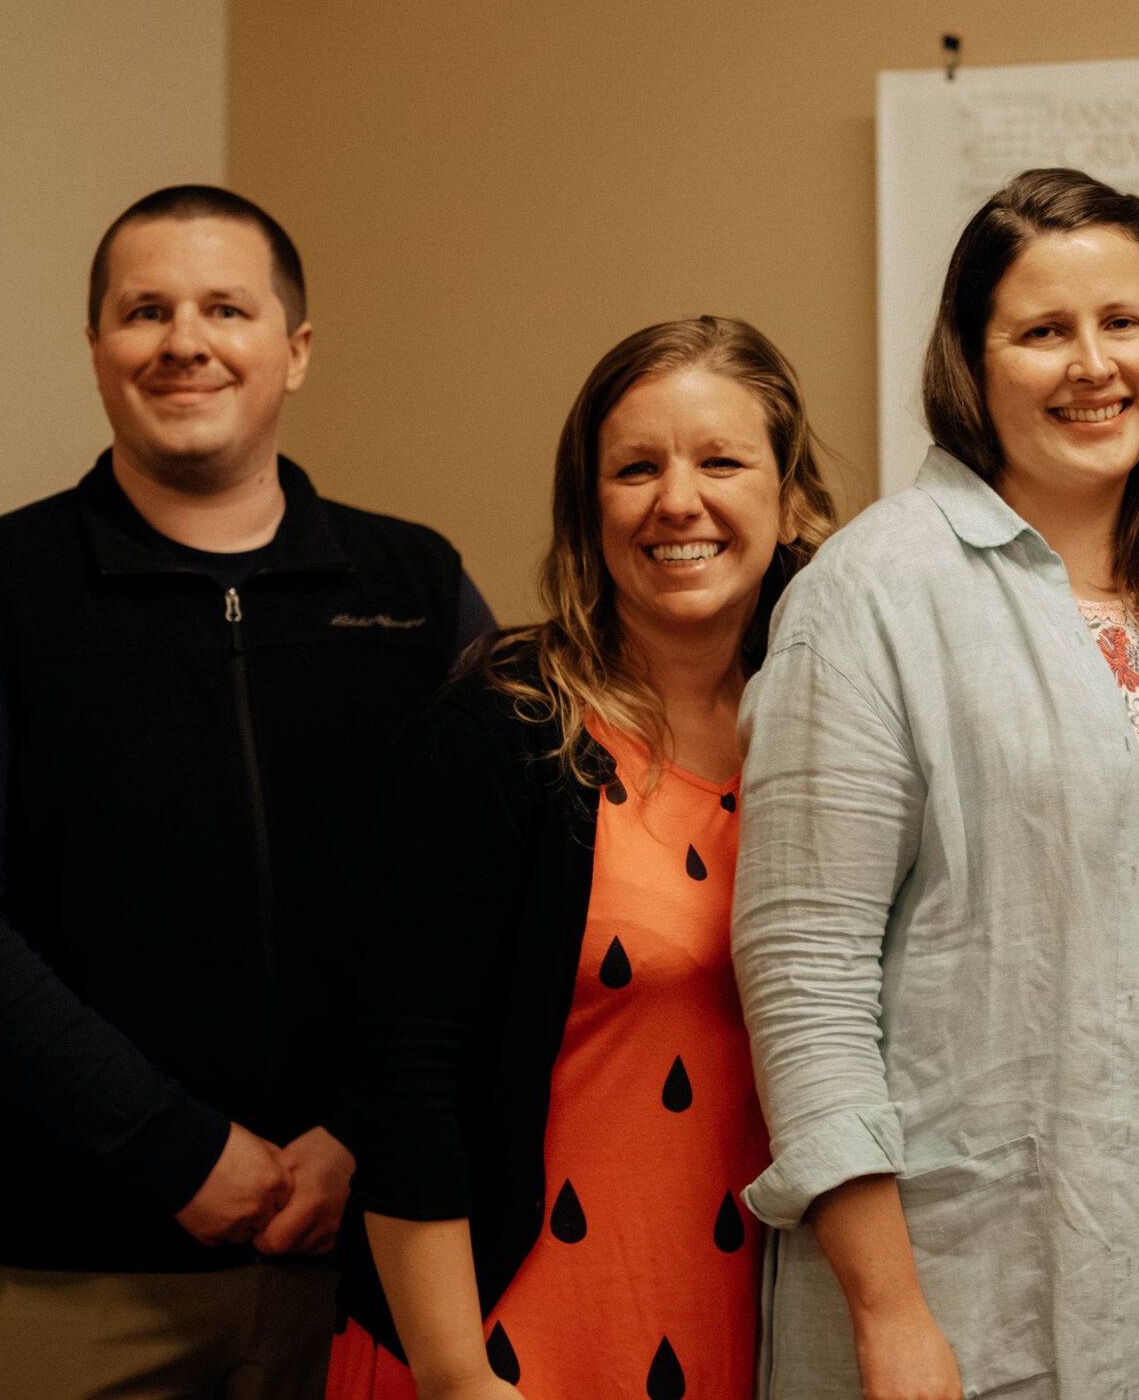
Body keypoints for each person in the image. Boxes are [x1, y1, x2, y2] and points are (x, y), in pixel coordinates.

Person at [731, 167, 1139, 1400]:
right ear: (974, 362)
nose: (1093, 364)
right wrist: (889, 1309)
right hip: (985, 1246)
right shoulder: (872, 595)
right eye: (1042, 331)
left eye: (1123, 322)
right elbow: (804, 968)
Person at [0, 186, 490, 1400]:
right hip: (74, 1272)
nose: (184, 340)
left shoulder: (416, 583)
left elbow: (492, 897)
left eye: (225, 307)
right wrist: (175, 1149)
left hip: (375, 1260)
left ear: (294, 350)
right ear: (98, 350)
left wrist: (360, 1130)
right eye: (144, 310)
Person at [327, 315, 838, 1400]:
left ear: (791, 498)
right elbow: (402, 1074)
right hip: (507, 1335)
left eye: (722, 461)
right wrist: (456, 1374)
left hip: (754, 1331)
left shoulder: (836, 739)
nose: (677, 500)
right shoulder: (498, 729)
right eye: (636, 468)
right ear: (587, 507)